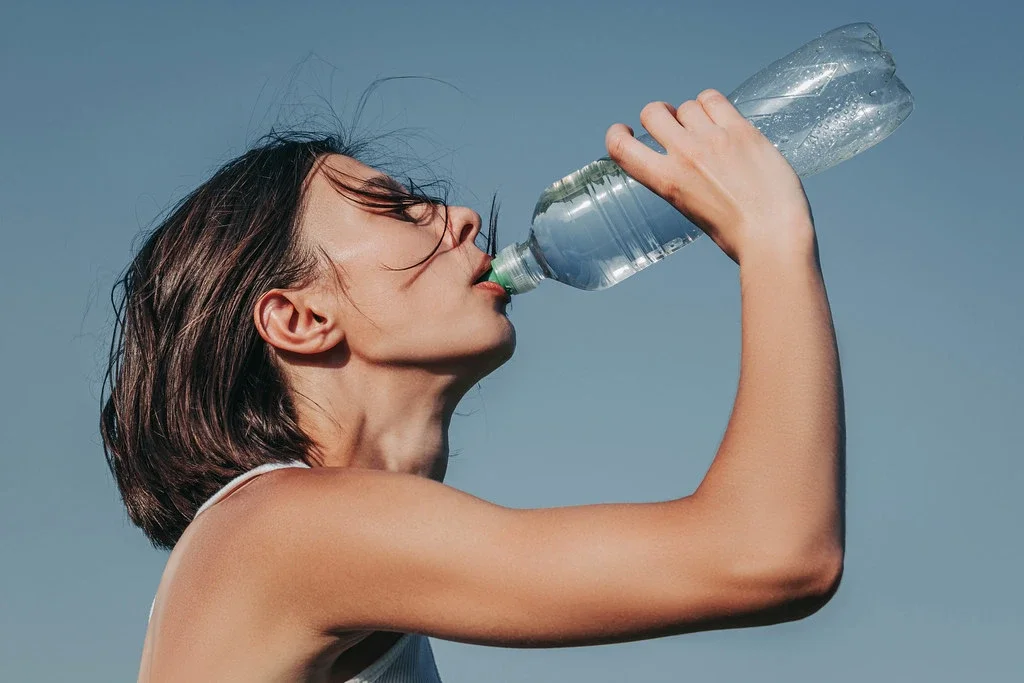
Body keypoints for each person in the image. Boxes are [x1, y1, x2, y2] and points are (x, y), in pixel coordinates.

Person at [102, 88, 845, 682]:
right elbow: (772, 552)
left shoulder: (314, 540)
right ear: (298, 317)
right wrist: (773, 241)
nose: (458, 218)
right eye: (396, 208)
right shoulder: (281, 528)